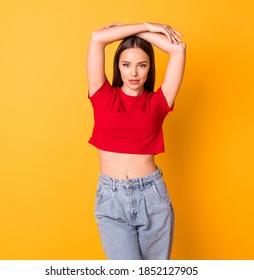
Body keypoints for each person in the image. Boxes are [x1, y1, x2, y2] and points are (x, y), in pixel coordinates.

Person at [87, 22, 186, 260]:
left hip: (151, 197)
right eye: (126, 65)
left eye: (141, 65)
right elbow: (96, 38)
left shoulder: (159, 102)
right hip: (111, 198)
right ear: (118, 67)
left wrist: (137, 33)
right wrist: (144, 25)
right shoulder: (101, 95)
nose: (133, 73)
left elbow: (178, 49)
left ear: (150, 67)